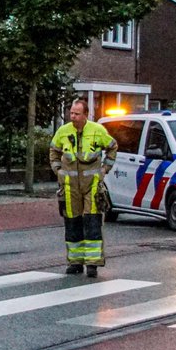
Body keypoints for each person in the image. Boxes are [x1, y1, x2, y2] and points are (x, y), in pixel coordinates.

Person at [49, 96, 113, 276]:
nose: (73, 116)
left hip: (91, 186)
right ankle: (75, 262)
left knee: (92, 222)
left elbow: (112, 147)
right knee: (72, 223)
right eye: (71, 113)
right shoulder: (63, 131)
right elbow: (53, 151)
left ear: (86, 115)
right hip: (69, 187)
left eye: (77, 113)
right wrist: (58, 170)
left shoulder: (97, 130)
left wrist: (105, 169)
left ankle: (92, 264)